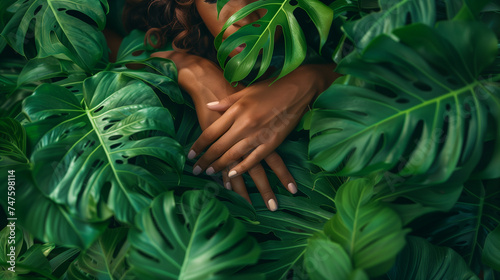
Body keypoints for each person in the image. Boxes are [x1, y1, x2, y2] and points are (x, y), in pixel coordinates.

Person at [121, 0, 340, 211]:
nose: (243, 18)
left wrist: (314, 79)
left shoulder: (339, 28)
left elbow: (371, 75)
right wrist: (193, 70)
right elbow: (101, 52)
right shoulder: (169, 31)